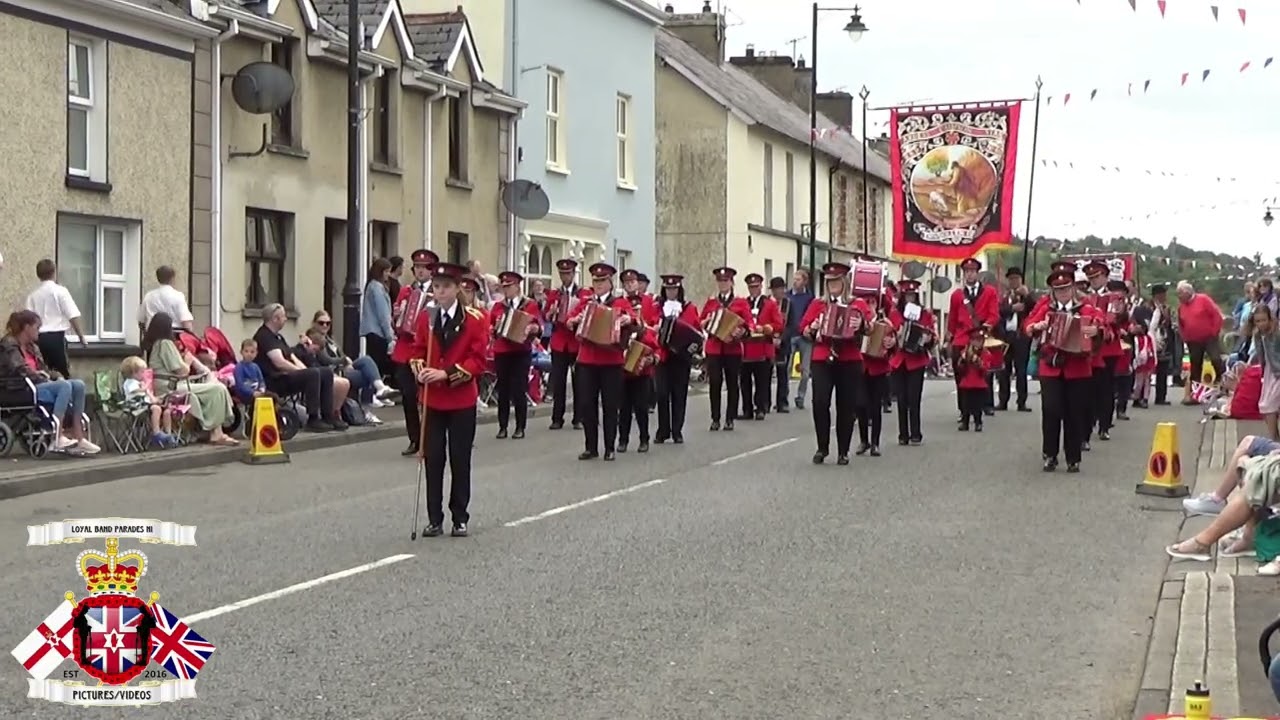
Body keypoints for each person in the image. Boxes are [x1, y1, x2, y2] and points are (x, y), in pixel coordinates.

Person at [408, 262, 487, 538]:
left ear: (456, 289)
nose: (439, 292)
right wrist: (421, 371)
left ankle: (460, 516)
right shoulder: (425, 318)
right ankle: (434, 518)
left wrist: (444, 373)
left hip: (460, 399)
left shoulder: (475, 319)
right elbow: (416, 351)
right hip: (432, 399)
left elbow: (478, 360)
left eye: (445, 287)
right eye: (436, 287)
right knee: (433, 458)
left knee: (459, 458)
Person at [1024, 269, 1104, 473]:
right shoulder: (1046, 308)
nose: (1063, 293)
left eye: (1066, 288)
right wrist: (1036, 326)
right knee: (1051, 410)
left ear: (1073, 288)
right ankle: (1050, 454)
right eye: (1058, 290)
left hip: (1077, 368)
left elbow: (1102, 325)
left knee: (1075, 413)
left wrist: (1097, 330)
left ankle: (1073, 458)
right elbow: (1028, 325)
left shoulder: (1086, 308)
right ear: (1053, 291)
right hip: (1050, 367)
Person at [0, 310, 99, 455]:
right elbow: (19, 368)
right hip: (18, 388)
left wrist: (55, 376)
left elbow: (44, 369)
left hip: (37, 385)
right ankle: (57, 436)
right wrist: (40, 376)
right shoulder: (8, 345)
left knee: (78, 384)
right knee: (64, 386)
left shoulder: (32, 347)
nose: (39, 332)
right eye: (37, 327)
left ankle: (79, 437)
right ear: (27, 327)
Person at [799, 262, 869, 465]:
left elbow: (871, 328)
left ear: (844, 282)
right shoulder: (818, 305)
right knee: (820, 402)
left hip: (849, 359)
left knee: (846, 405)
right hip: (822, 357)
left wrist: (861, 324)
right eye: (829, 282)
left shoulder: (857, 304)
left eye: (836, 281)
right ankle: (822, 447)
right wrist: (812, 328)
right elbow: (803, 329)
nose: (832, 285)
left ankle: (843, 450)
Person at [565, 263, 634, 461]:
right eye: (595, 281)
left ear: (610, 283)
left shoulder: (620, 303)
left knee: (611, 405)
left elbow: (634, 320)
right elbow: (568, 320)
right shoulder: (586, 303)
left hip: (611, 361)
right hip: (587, 360)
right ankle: (591, 446)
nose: (598, 284)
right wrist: (574, 321)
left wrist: (626, 320)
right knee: (587, 404)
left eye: (602, 281)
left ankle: (610, 447)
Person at [142, 312, 240, 445]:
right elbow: (182, 371)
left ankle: (214, 431)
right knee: (217, 389)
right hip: (171, 388)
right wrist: (187, 361)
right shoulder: (165, 344)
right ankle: (216, 433)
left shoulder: (155, 345)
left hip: (165, 386)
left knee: (213, 389)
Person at [250, 304, 346, 433]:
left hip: (285, 376)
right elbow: (280, 362)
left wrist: (305, 369)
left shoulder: (278, 337)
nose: (285, 319)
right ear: (275, 319)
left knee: (325, 372)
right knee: (312, 374)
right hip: (274, 380)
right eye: (283, 316)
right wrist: (303, 372)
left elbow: (291, 356)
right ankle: (313, 418)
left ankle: (328, 416)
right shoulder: (264, 336)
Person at [390, 249, 437, 454]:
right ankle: (414, 438)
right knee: (409, 396)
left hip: (426, 352)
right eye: (417, 267)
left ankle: (429, 438)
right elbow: (396, 323)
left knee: (427, 397)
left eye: (424, 267)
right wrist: (397, 315)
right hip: (405, 350)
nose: (420, 271)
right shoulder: (406, 292)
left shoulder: (437, 293)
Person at [489, 271, 542, 439]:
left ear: (517, 286)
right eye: (504, 287)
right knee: (503, 390)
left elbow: (537, 326)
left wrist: (533, 329)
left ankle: (520, 426)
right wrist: (494, 328)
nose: (506, 290)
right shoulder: (498, 307)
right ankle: (502, 426)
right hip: (503, 351)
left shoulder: (529, 305)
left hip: (521, 352)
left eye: (509, 287)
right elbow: (490, 328)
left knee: (519, 389)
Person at [699, 267, 753, 431]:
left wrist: (741, 331)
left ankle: (730, 418)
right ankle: (715, 418)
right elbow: (701, 322)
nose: (723, 284)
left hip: (733, 349)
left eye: (726, 281)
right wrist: (707, 322)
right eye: (720, 281)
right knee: (714, 382)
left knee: (732, 383)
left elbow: (749, 323)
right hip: (714, 348)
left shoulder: (740, 302)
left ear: (731, 282)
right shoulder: (712, 302)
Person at [946, 257, 999, 421]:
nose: (969, 275)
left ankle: (983, 405)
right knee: (961, 375)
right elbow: (953, 318)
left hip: (980, 337)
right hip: (962, 338)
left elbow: (994, 314)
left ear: (977, 273)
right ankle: (964, 410)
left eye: (972, 272)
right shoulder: (957, 295)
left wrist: (987, 326)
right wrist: (950, 336)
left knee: (983, 372)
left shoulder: (989, 292)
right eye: (966, 272)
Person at [311, 310, 396, 408]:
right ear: (314, 323)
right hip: (333, 371)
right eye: (321, 323)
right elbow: (325, 359)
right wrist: (344, 361)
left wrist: (346, 362)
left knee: (366, 360)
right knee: (367, 375)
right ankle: (370, 400)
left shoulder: (330, 339)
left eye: (328, 323)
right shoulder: (314, 338)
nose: (325, 326)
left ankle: (380, 388)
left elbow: (341, 354)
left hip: (341, 368)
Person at [543, 258, 589, 430]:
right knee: (558, 381)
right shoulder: (555, 294)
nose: (565, 277)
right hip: (559, 342)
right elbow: (546, 315)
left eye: (568, 273)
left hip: (576, 342)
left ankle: (579, 417)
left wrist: (574, 319)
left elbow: (585, 311)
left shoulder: (583, 293)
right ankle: (557, 418)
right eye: (562, 274)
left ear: (573, 274)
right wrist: (551, 313)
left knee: (580, 382)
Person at [654, 274, 700, 444]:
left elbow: (696, 332)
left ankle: (677, 430)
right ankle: (663, 429)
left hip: (681, 358)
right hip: (663, 357)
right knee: (662, 393)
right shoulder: (658, 308)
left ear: (679, 290)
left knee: (679, 395)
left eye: (674, 289)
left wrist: (691, 349)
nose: (671, 292)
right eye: (668, 289)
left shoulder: (688, 308)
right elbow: (650, 327)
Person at [888, 279, 935, 445]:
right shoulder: (894, 314)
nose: (909, 299)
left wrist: (927, 339)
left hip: (916, 360)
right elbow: (889, 334)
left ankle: (916, 432)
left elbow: (932, 336)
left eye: (912, 296)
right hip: (899, 360)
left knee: (914, 398)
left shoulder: (925, 314)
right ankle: (903, 434)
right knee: (901, 398)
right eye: (907, 296)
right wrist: (895, 338)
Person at [24, 259, 86, 378]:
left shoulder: (32, 295)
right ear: (54, 272)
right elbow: (72, 315)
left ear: (38, 275)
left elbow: (28, 319)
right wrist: (81, 337)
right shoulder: (61, 291)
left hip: (38, 339)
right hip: (56, 338)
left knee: (43, 374)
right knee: (62, 374)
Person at [740, 273, 783, 421]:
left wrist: (766, 328)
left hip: (762, 348)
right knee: (745, 381)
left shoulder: (769, 304)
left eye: (756, 287)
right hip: (746, 349)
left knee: (762, 381)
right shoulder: (744, 303)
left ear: (761, 287)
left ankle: (761, 408)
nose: (753, 290)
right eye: (751, 287)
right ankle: (747, 409)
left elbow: (778, 324)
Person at [855, 288, 893, 453]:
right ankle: (864, 440)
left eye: (872, 302)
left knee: (875, 406)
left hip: (878, 368)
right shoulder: (856, 321)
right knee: (860, 404)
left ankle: (875, 443)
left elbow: (893, 344)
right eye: (867, 302)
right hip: (860, 366)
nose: (869, 306)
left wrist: (890, 343)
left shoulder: (885, 323)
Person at [1176, 280, 1226, 403]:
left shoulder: (1203, 299)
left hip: (1209, 336)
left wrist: (1214, 332)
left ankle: (1224, 383)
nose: (1179, 297)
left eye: (1180, 294)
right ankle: (1195, 393)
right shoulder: (1181, 307)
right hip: (1193, 340)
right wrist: (1185, 337)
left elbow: (1216, 315)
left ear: (1188, 292)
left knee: (1215, 359)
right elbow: (1180, 323)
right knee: (1195, 366)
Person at [996, 267, 1034, 412]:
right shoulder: (1004, 297)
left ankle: (1022, 402)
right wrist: (1012, 308)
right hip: (1006, 336)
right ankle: (1003, 401)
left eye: (1016, 279)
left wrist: (1027, 295)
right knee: (1003, 370)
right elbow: (998, 312)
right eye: (1011, 279)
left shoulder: (1026, 295)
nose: (1014, 281)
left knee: (1021, 370)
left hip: (1021, 336)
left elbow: (1035, 308)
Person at [119, 355, 178, 448]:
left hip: (145, 404)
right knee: (156, 408)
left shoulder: (140, 383)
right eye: (142, 372)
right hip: (136, 406)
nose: (144, 374)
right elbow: (137, 391)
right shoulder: (130, 382)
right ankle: (156, 433)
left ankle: (168, 434)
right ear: (134, 373)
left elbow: (149, 396)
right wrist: (145, 387)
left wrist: (156, 399)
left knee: (167, 410)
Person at [617, 323, 659, 453]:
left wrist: (651, 359)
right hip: (623, 375)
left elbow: (656, 350)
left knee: (641, 408)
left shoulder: (645, 333)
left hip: (642, 375)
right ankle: (623, 440)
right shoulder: (620, 331)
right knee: (624, 409)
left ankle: (644, 439)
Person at [360, 257, 396, 383]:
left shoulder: (372, 286)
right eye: (386, 271)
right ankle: (375, 392)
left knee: (376, 362)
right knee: (377, 363)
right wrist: (390, 336)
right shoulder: (377, 288)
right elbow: (383, 314)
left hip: (372, 330)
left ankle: (375, 392)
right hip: (378, 331)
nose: (388, 275)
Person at [784, 270, 815, 409]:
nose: (795, 281)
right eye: (794, 279)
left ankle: (800, 396)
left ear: (804, 281)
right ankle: (783, 396)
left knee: (805, 370)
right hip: (790, 336)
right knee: (787, 367)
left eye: (798, 279)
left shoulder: (809, 298)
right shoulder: (787, 296)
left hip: (805, 337)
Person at [1251, 304, 1280, 440]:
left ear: (1269, 318)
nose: (1261, 324)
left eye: (1263, 320)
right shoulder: (1258, 335)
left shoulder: (1276, 332)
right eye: (1258, 321)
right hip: (1269, 371)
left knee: (1268, 404)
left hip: (1278, 371)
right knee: (1266, 405)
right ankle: (1274, 438)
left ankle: (1274, 439)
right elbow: (1260, 354)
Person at [138, 265, 195, 333]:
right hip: (174, 336)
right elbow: (186, 322)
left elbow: (141, 321)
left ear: (158, 278)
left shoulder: (148, 296)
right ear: (172, 278)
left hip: (153, 336)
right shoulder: (178, 296)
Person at [1131, 320, 1156, 409]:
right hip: (1139, 362)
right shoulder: (1135, 339)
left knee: (1146, 381)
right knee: (1139, 382)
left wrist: (1153, 361)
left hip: (1147, 361)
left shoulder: (1147, 338)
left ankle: (1145, 399)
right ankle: (1137, 398)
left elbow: (1152, 350)